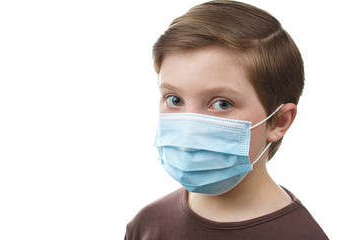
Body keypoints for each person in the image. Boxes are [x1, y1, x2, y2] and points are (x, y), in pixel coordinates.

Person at [125, 0, 329, 239]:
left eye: (221, 104)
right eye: (175, 100)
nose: (190, 128)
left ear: (279, 121)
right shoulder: (147, 225)